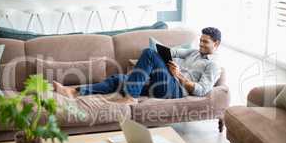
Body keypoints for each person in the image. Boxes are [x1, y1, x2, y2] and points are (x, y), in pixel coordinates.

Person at [53, 27, 222, 104]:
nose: (200, 44)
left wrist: (179, 76)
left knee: (148, 54)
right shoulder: (194, 52)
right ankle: (74, 91)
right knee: (118, 79)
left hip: (176, 89)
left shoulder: (213, 66)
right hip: (164, 82)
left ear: (216, 44)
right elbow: (173, 52)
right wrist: (163, 53)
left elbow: (202, 90)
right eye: (200, 40)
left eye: (205, 42)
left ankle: (130, 97)